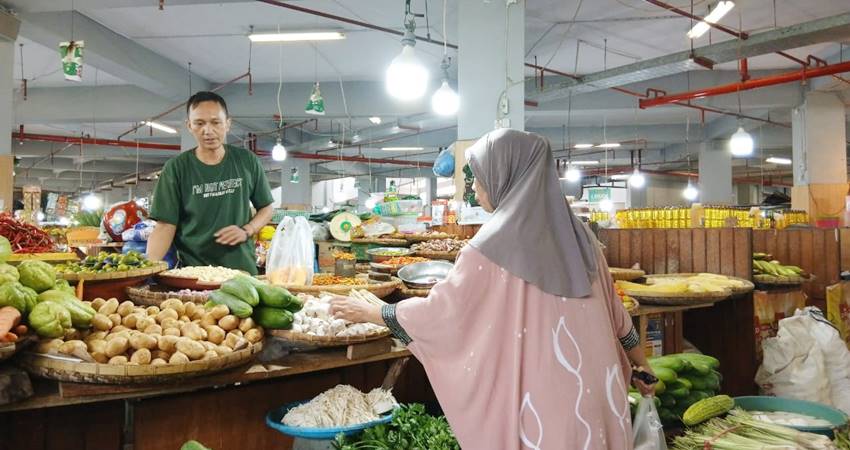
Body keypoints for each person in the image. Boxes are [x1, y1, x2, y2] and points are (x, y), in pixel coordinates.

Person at [330, 129, 654, 450]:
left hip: (543, 407)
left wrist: (376, 312)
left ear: (506, 175)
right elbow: (618, 318)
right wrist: (643, 365)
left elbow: (442, 316)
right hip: (599, 396)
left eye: (480, 177)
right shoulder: (582, 237)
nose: (476, 188)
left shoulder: (488, 248)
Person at [146, 91, 274, 275]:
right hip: (194, 273)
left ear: (227, 124)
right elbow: (165, 225)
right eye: (199, 123)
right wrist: (146, 269)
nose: (208, 131)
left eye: (215, 122)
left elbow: (267, 208)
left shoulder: (247, 161)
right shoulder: (176, 168)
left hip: (242, 272)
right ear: (189, 126)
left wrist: (247, 230)